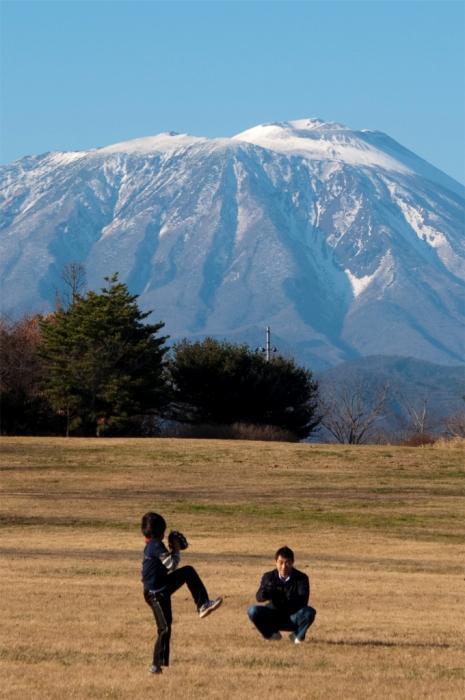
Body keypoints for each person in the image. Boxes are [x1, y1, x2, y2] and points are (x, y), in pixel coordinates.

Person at [141, 512, 223, 674]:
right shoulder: (155, 545)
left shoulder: (153, 544)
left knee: (188, 572)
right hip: (155, 593)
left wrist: (173, 549)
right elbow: (171, 565)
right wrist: (176, 549)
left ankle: (202, 605)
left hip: (161, 587)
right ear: (159, 531)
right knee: (164, 628)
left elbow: (165, 565)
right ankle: (155, 666)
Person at [247, 546, 316, 644]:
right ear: (276, 562)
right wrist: (266, 593)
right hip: (273, 616)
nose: (284, 566)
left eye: (287, 562)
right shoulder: (269, 577)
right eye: (281, 562)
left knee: (309, 612)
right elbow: (258, 597)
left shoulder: (301, 578)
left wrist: (281, 594)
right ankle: (271, 635)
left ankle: (297, 636)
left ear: (292, 562)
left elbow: (303, 601)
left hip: (293, 617)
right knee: (252, 610)